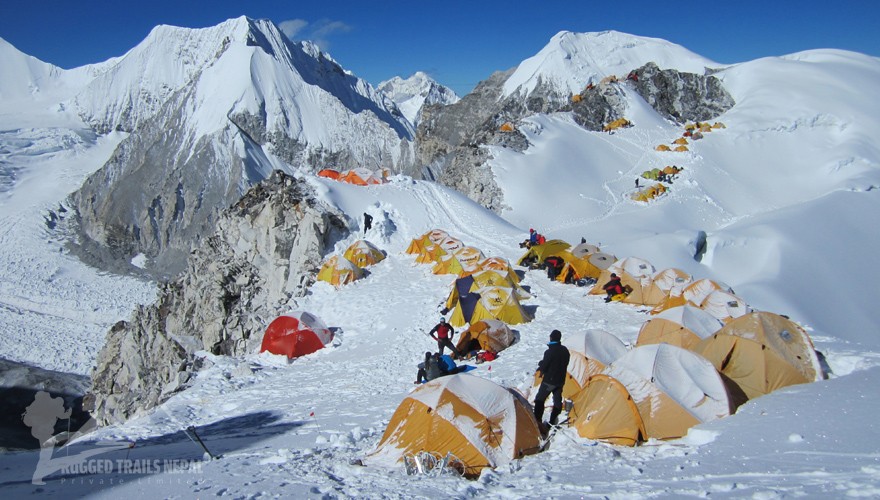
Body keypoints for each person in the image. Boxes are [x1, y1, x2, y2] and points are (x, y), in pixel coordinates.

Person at [534, 330, 570, 428]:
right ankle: (553, 421)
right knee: (557, 401)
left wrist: (541, 364)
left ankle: (537, 422)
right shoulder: (565, 350)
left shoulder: (549, 352)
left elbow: (544, 366)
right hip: (561, 380)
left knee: (539, 399)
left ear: (551, 338)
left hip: (549, 381)